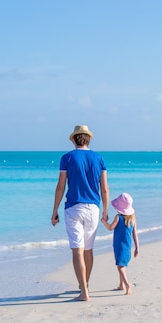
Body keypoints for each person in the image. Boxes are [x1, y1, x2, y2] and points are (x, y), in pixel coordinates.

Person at [51, 125, 109, 301]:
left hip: (73, 207)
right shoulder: (98, 159)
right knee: (88, 250)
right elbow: (104, 188)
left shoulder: (67, 158)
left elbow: (61, 186)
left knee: (77, 249)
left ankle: (83, 290)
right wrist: (106, 210)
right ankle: (86, 285)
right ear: (88, 139)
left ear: (74, 139)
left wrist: (54, 210)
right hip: (93, 208)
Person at [100, 193, 140, 295]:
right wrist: (137, 247)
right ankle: (121, 285)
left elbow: (110, 228)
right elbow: (135, 234)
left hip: (119, 245)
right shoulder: (132, 218)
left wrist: (103, 221)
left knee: (120, 266)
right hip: (127, 245)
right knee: (121, 264)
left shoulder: (118, 217)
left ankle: (127, 285)